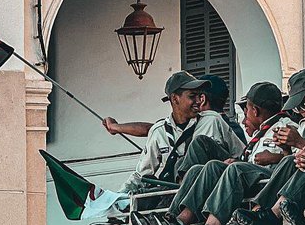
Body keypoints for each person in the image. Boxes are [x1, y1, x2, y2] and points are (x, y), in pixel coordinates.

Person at [163, 81, 287, 225]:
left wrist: (275, 157)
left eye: (246, 111)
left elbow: (295, 159)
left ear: (254, 110)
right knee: (206, 167)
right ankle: (178, 220)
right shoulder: (261, 132)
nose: (244, 118)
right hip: (248, 176)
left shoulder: (285, 126)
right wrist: (234, 160)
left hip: (268, 183)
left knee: (235, 169)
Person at [218, 68, 305, 225]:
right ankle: (265, 218)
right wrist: (288, 149)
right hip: (300, 184)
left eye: (303, 105)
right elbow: (295, 162)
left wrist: (299, 143)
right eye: (296, 108)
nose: (300, 112)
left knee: (290, 162)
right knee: (289, 161)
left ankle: (267, 217)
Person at [104, 70, 244, 195]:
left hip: (211, 192)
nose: (198, 101)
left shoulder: (212, 120)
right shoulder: (159, 132)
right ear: (175, 98)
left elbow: (242, 155)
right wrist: (116, 197)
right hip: (175, 197)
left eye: (199, 96)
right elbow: (142, 175)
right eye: (192, 96)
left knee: (191, 154)